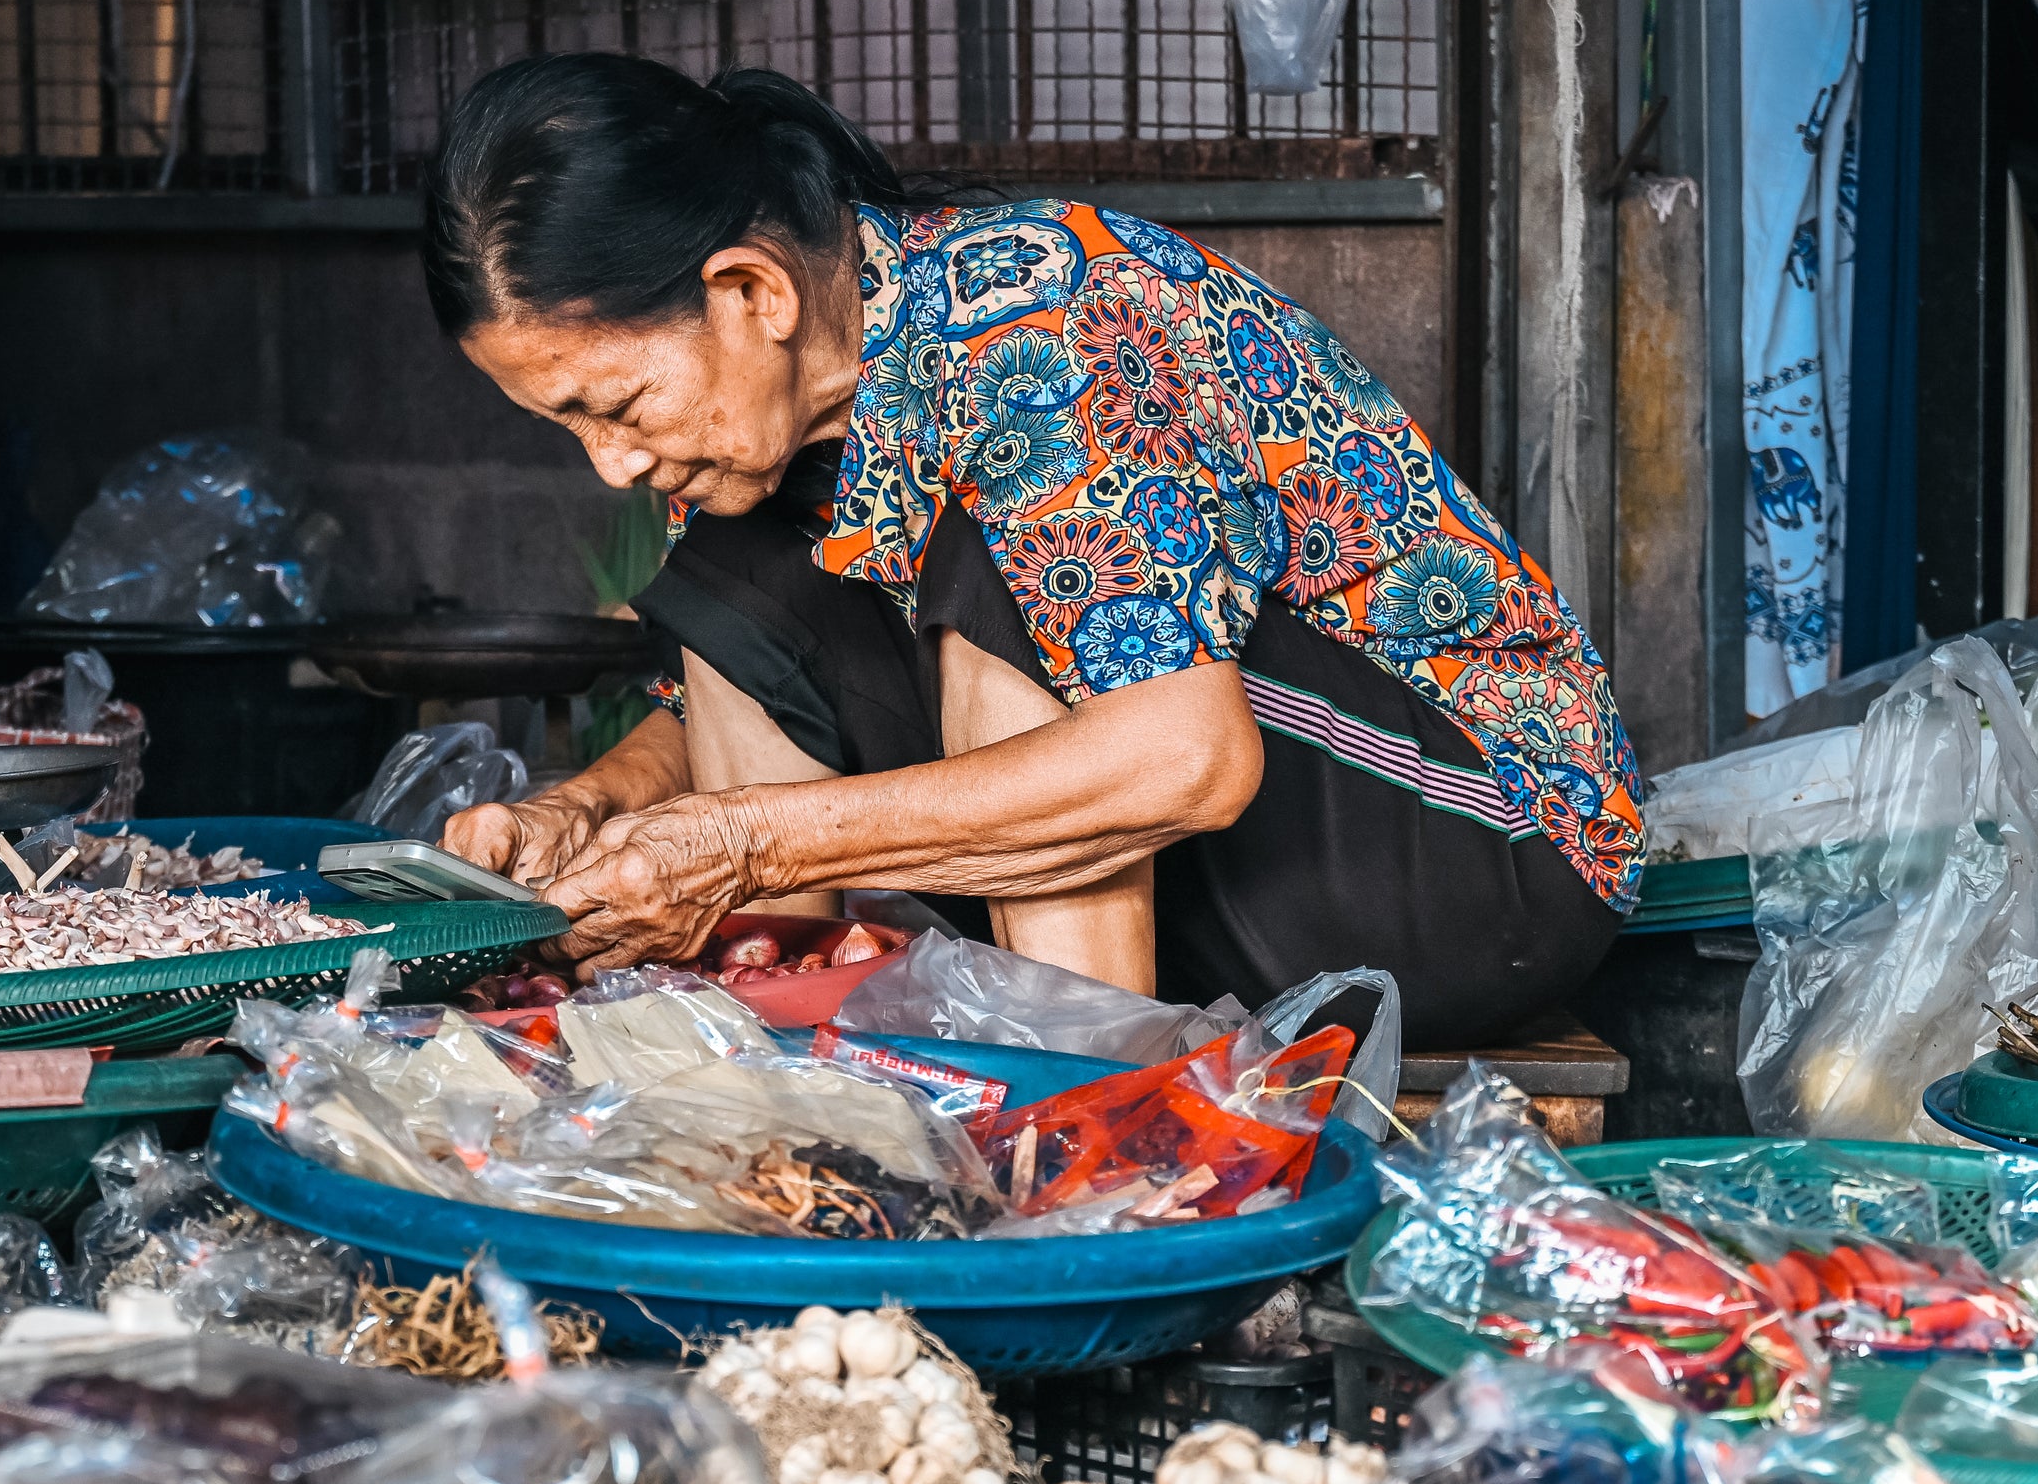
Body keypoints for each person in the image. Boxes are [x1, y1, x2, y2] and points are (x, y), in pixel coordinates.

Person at [423, 54, 1645, 1045]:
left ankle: (1076, 1120)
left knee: (1002, 556)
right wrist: (585, 811)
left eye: (615, 405)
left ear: (753, 294)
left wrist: (739, 844)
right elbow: (741, 708)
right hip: (1255, 892)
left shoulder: (1034, 321)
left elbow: (1181, 762)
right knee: (737, 573)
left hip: (1479, 852)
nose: (611, 465)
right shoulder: (764, 432)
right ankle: (768, 1036)